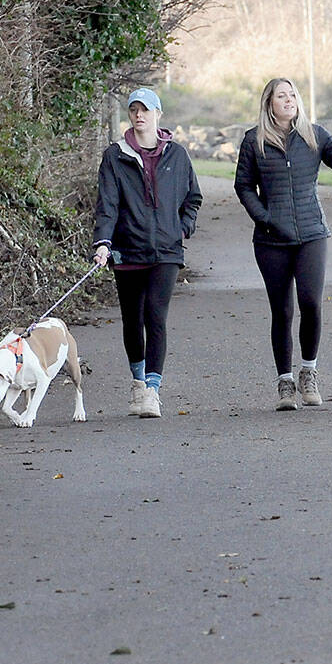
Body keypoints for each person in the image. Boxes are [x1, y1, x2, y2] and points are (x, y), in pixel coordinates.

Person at [234, 77, 332, 411]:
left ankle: (309, 372)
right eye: (281, 96)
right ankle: (285, 382)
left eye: (292, 95)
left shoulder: (314, 135)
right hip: (271, 239)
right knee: (282, 310)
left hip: (311, 234)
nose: (288, 100)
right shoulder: (253, 140)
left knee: (311, 303)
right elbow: (243, 185)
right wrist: (264, 217)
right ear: (269, 104)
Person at [93, 87, 202, 418]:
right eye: (133, 110)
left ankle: (152, 391)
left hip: (167, 251)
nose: (139, 115)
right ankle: (138, 383)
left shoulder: (177, 155)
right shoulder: (115, 156)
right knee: (132, 319)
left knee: (155, 315)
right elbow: (107, 204)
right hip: (127, 250)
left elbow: (193, 197)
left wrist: (182, 228)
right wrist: (103, 243)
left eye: (145, 110)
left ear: (158, 114)